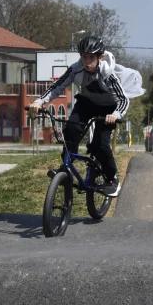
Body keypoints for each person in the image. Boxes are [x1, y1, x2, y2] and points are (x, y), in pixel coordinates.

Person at [29, 35, 128, 197]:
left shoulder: (108, 73)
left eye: (91, 58)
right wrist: (39, 102)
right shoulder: (76, 68)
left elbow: (123, 99)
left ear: (100, 57)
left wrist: (116, 114)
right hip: (87, 103)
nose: (87, 62)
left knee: (100, 145)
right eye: (84, 57)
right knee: (71, 129)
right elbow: (57, 86)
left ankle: (112, 179)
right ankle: (66, 167)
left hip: (108, 109)